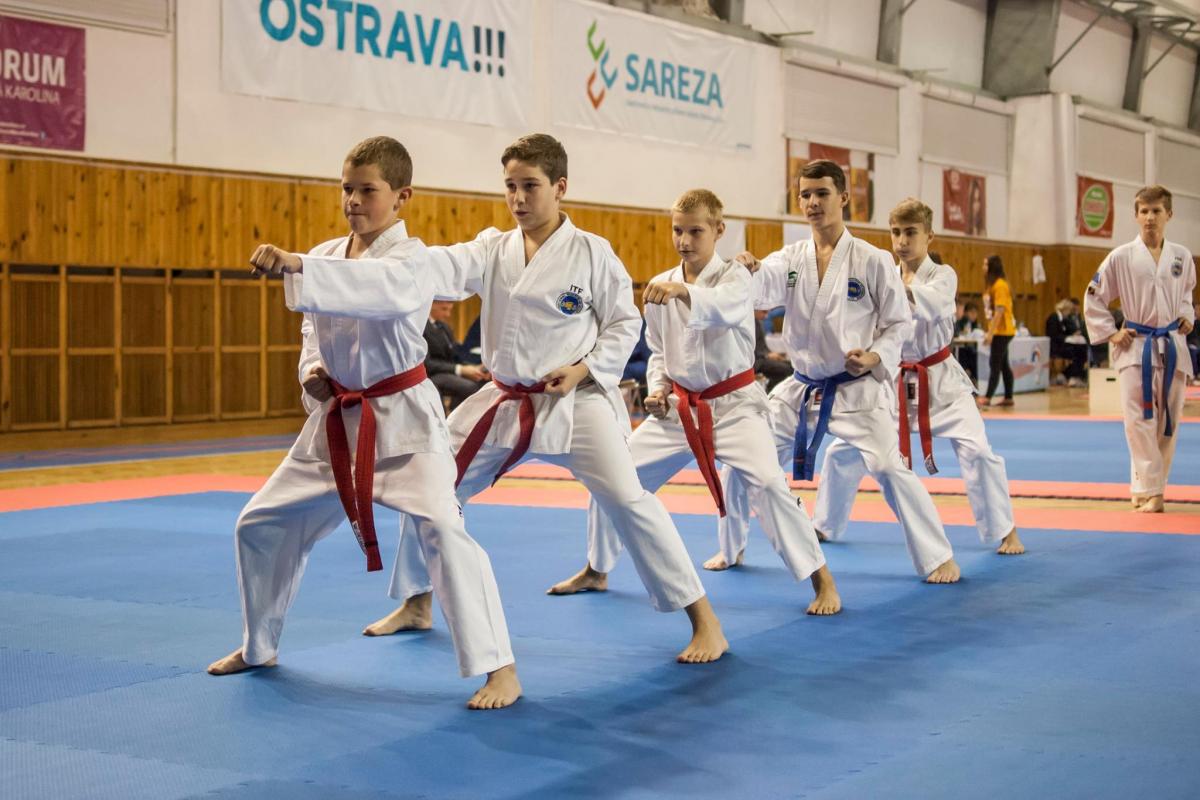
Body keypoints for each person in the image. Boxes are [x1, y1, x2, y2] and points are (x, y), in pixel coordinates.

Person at [364, 134, 728, 663]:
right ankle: (417, 600)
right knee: (429, 480)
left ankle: (704, 621)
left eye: (530, 186)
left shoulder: (592, 252)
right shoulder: (492, 249)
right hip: (505, 399)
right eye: (510, 186)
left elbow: (624, 323)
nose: (518, 198)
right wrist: (382, 248)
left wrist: (584, 368)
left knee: (628, 500)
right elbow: (437, 267)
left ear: (559, 187)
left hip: (576, 403)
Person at [206, 136, 520, 710]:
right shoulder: (327, 254)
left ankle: (500, 668)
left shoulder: (411, 260)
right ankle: (258, 645)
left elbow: (382, 291)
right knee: (260, 522)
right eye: (347, 189)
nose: (353, 200)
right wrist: (312, 373)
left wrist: (300, 265)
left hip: (404, 423)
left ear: (401, 197)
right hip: (338, 423)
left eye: (367, 191)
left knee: (443, 529)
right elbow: (312, 332)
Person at [546, 189, 840, 615]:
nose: (684, 241)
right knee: (612, 473)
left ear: (718, 230)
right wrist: (657, 389)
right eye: (677, 231)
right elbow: (659, 351)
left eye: (695, 232)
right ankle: (597, 567)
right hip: (680, 410)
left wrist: (683, 293)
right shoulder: (662, 286)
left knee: (769, 485)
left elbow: (724, 307)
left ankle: (821, 579)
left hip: (735, 407)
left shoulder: (735, 279)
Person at [718, 161, 961, 584]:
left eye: (822, 193)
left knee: (888, 468)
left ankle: (939, 556)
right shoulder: (790, 258)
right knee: (742, 458)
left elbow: (898, 322)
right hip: (801, 388)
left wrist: (875, 357)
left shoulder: (873, 260)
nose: (812, 202)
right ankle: (731, 547)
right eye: (805, 195)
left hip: (855, 388)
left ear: (844, 198)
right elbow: (758, 290)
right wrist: (747, 268)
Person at [812, 198, 1024, 556]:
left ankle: (1005, 529)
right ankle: (824, 523)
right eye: (896, 232)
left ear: (929, 236)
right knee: (842, 451)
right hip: (891, 381)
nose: (902, 241)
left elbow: (933, 304)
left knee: (978, 452)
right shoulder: (882, 274)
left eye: (911, 232)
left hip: (941, 382)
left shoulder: (943, 275)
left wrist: (886, 289)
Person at [1084, 184, 1195, 514]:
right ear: (1135, 216)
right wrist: (1111, 332)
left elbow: (1186, 293)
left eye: (1156, 211)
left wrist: (1186, 315)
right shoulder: (1121, 256)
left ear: (1169, 214)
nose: (1149, 217)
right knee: (1138, 421)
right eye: (1144, 211)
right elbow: (1094, 296)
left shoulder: (1182, 256)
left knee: (1167, 422)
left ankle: (1143, 486)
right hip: (1137, 347)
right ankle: (1154, 492)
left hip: (1172, 345)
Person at [425, 300, 489, 410]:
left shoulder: (444, 326)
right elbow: (427, 364)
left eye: (449, 310)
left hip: (449, 371)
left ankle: (457, 412)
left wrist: (475, 368)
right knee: (470, 386)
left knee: (482, 380)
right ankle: (455, 416)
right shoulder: (421, 327)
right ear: (431, 305)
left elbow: (455, 355)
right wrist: (460, 369)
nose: (448, 315)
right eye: (444, 309)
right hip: (431, 375)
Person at [978, 255, 1015, 407]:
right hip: (999, 331)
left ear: (992, 267)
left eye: (985, 265)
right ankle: (1009, 397)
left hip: (1002, 331)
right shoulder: (990, 285)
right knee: (1004, 365)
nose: (983, 267)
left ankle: (988, 397)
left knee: (995, 363)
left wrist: (990, 333)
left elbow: (1000, 310)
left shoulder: (1000, 285)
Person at [1046, 298, 1088, 387]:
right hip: (1055, 347)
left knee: (1081, 350)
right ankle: (1071, 376)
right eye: (1069, 310)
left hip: (1062, 344)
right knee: (1077, 351)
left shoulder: (1063, 319)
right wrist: (1067, 337)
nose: (1069, 313)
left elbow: (1066, 331)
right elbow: (1053, 335)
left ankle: (1070, 375)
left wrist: (1072, 335)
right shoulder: (1053, 318)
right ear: (1064, 309)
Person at [754, 309, 793, 391]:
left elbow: (762, 347)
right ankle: (771, 391)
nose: (766, 316)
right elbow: (753, 350)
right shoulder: (751, 326)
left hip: (762, 357)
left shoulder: (758, 323)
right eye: (764, 312)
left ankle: (772, 389)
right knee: (786, 369)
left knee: (791, 365)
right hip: (757, 362)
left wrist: (771, 354)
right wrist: (767, 355)